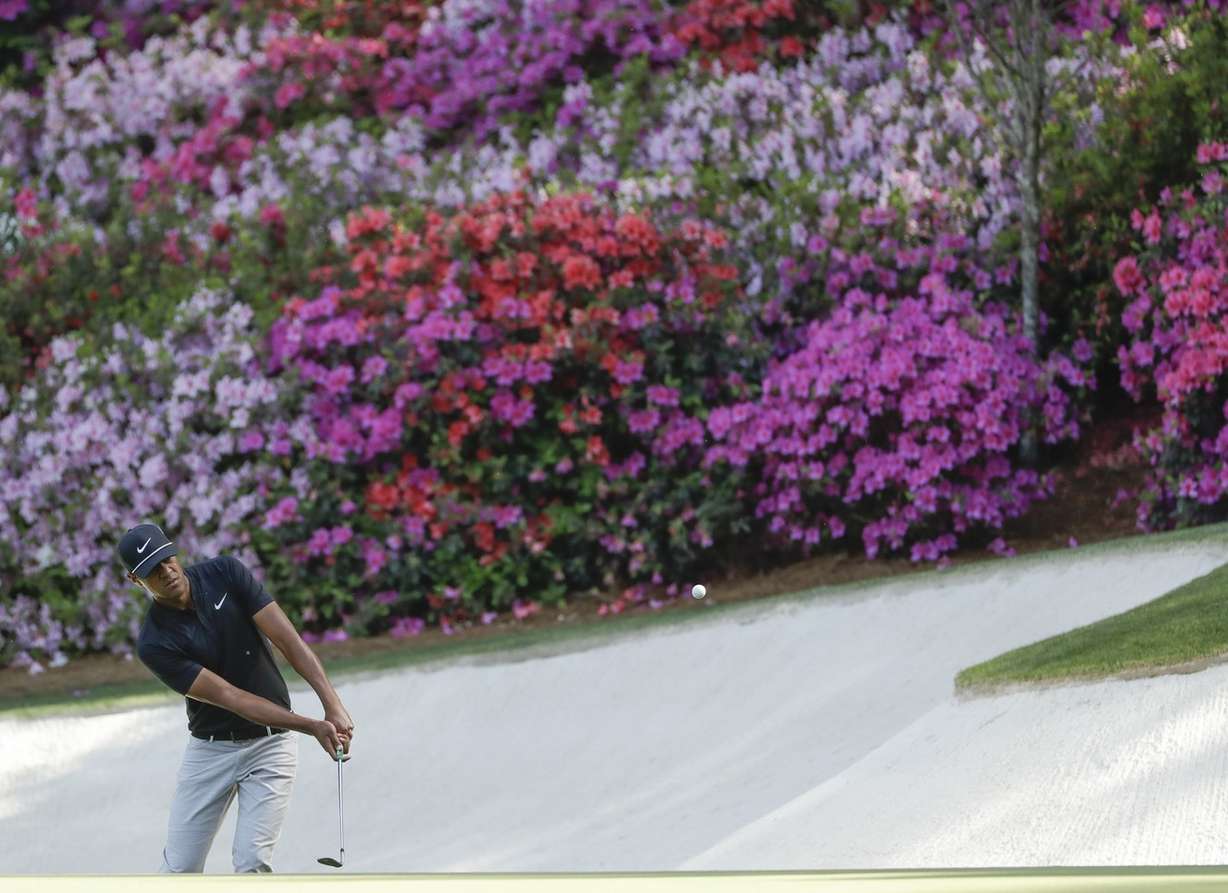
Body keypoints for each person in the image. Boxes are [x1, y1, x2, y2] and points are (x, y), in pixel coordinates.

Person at [118, 521, 356, 873]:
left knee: (252, 863)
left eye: (166, 559)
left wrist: (332, 704)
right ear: (136, 581)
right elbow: (232, 697)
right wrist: (311, 726)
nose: (166, 571)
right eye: (152, 570)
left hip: (271, 748)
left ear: (175, 552)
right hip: (210, 751)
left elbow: (289, 641)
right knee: (180, 870)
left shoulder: (225, 574)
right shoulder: (154, 643)